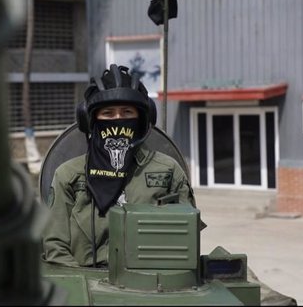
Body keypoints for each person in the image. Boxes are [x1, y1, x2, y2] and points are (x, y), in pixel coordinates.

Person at [41, 64, 196, 267]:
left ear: (142, 118)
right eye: (108, 113)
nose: (118, 120)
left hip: (152, 282)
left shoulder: (168, 170)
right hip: (87, 284)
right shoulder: (69, 175)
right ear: (90, 121)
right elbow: (55, 247)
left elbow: (186, 238)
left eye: (126, 112)